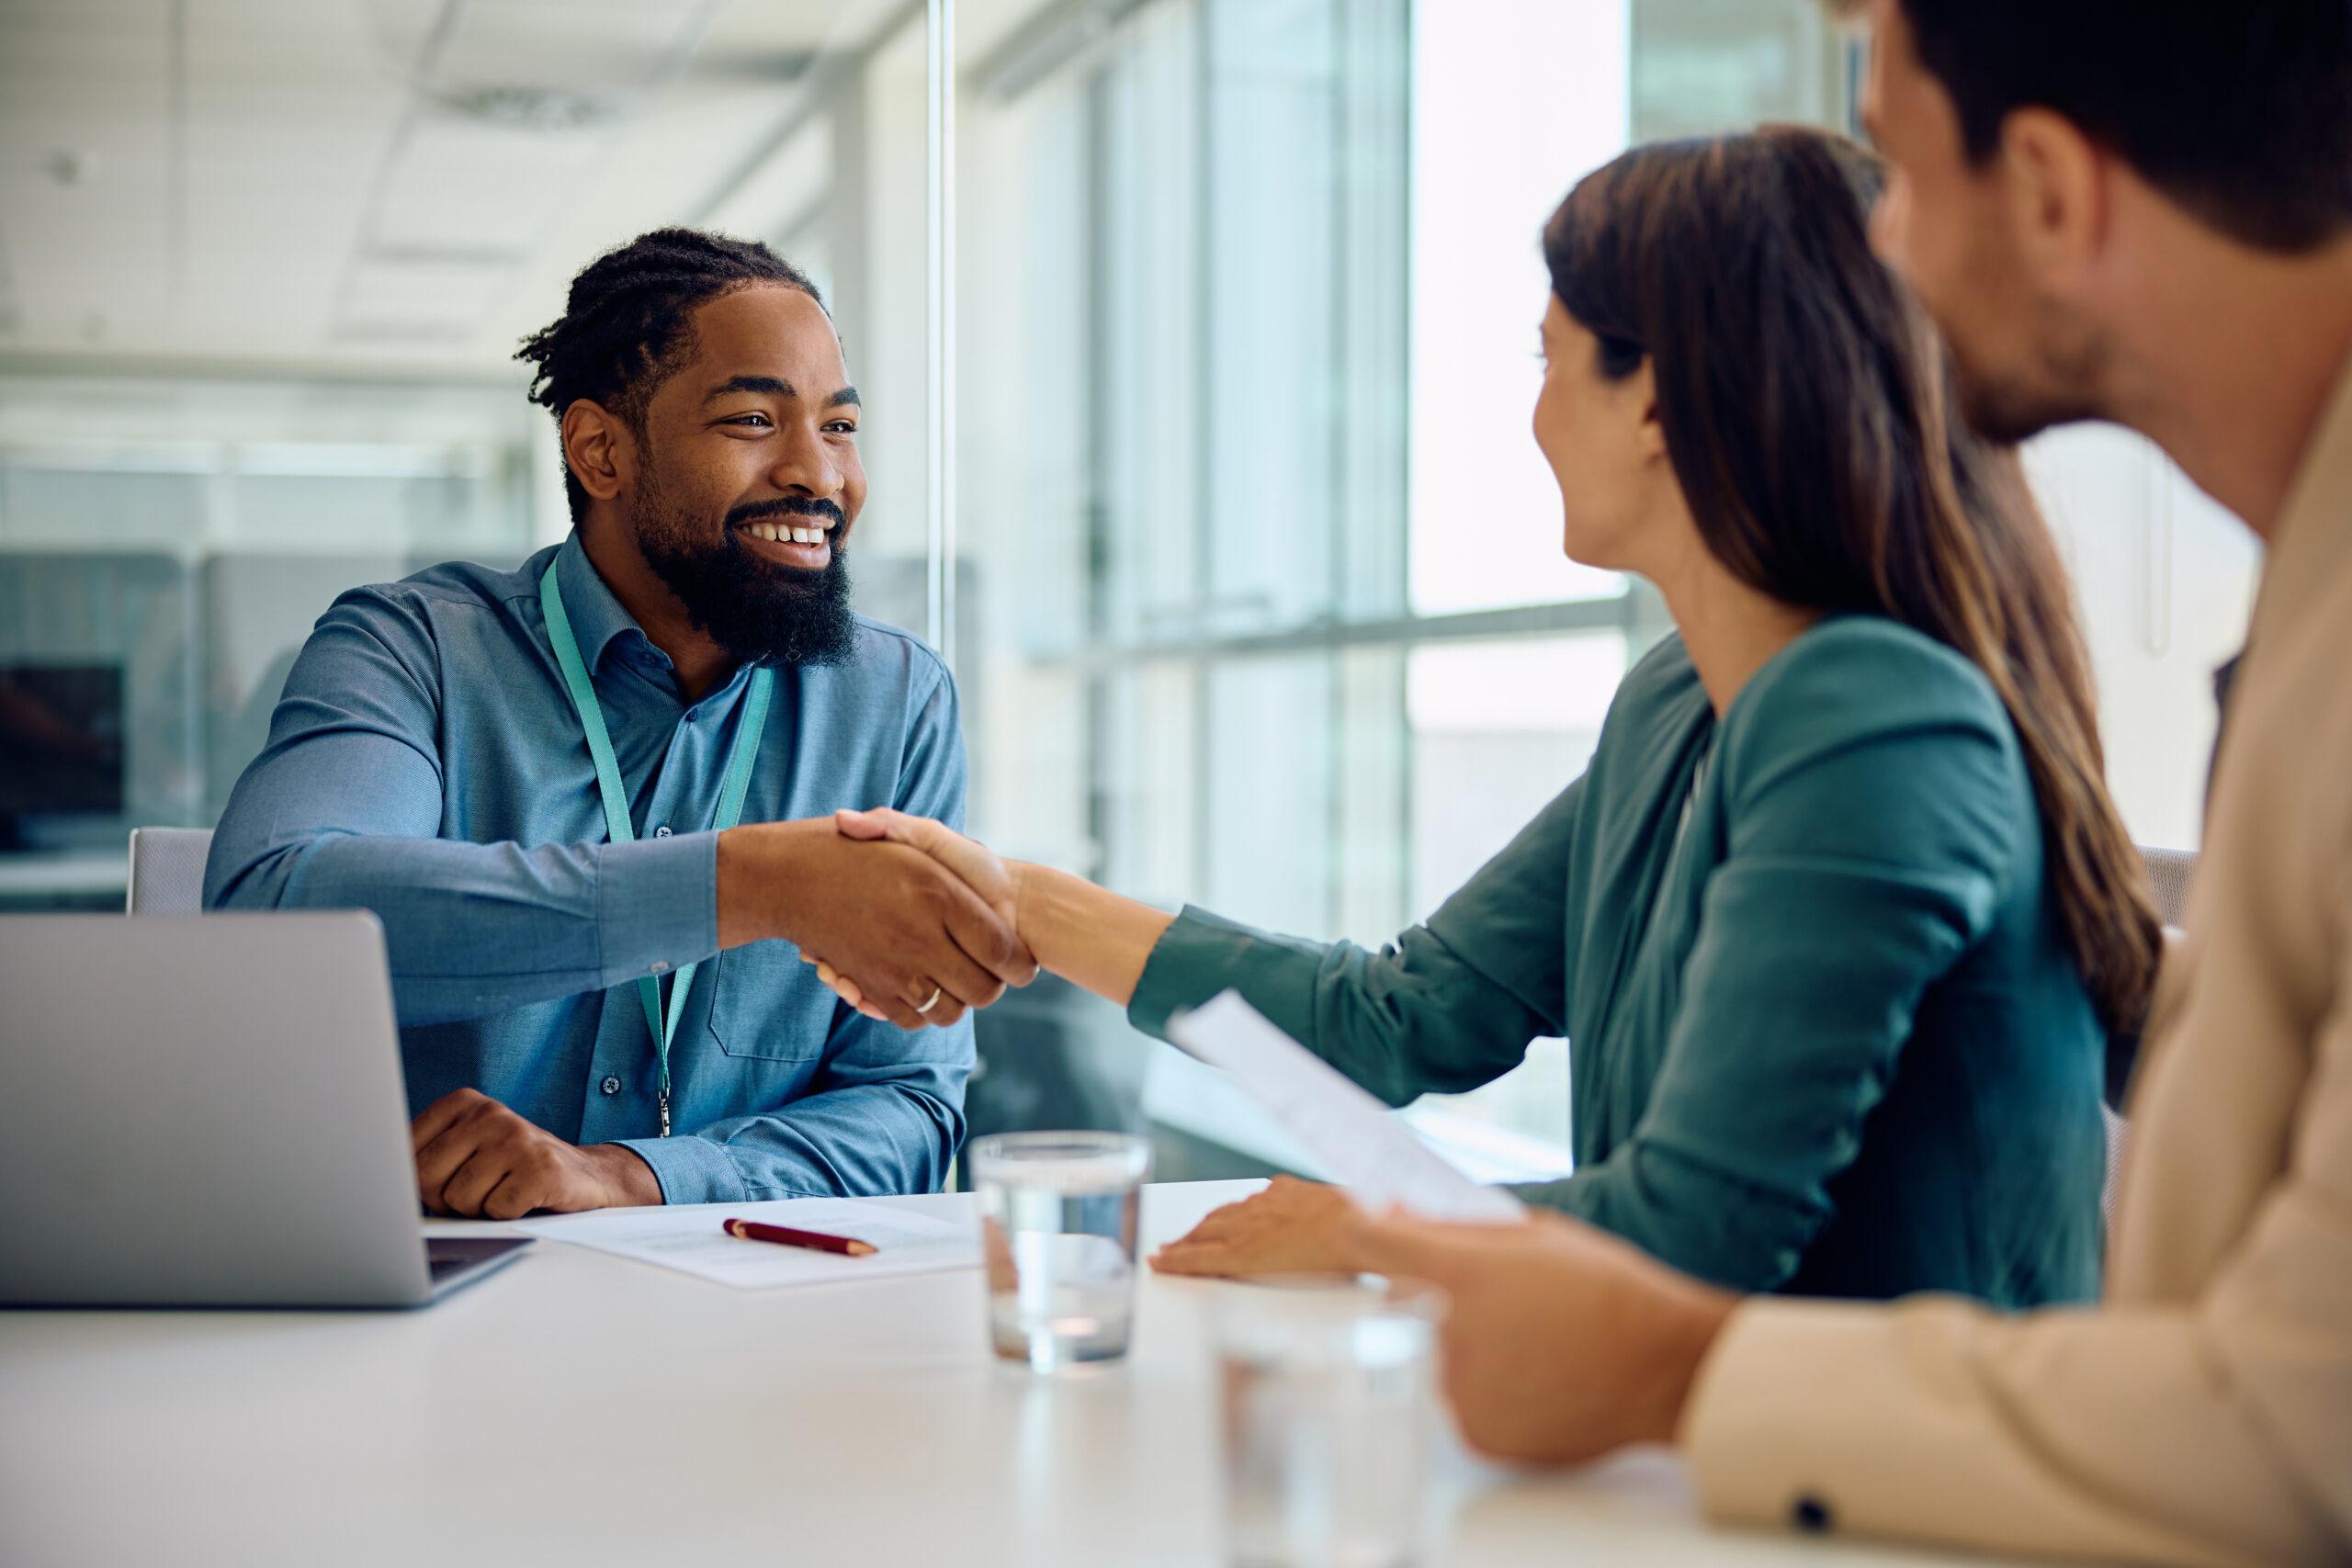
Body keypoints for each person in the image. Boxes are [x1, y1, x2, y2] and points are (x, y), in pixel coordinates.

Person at [1261, 3, 2352, 1562]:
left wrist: (1655, 1361)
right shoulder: (2295, 609)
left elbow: (2300, 1428)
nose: (1874, 256)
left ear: (2049, 188)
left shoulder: (1881, 704)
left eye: (1896, 178)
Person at [808, 127, 2158, 1310]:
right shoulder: (1679, 702)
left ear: (1660, 400)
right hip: (1711, 1449)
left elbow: (1699, 1231)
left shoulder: (1874, 712)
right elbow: (1400, 1017)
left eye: (1549, 358)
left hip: (1915, 1493)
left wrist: (1369, 1231)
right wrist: (1016, 899)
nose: (1531, 412)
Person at [206, 229, 1035, 1221]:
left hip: (752, 1306)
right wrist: (755, 882)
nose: (819, 476)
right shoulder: (413, 648)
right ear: (601, 450)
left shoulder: (896, 704)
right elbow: (274, 907)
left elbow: (906, 1104)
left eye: (841, 427)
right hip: (427, 1291)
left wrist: (632, 1177)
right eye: (753, 420)